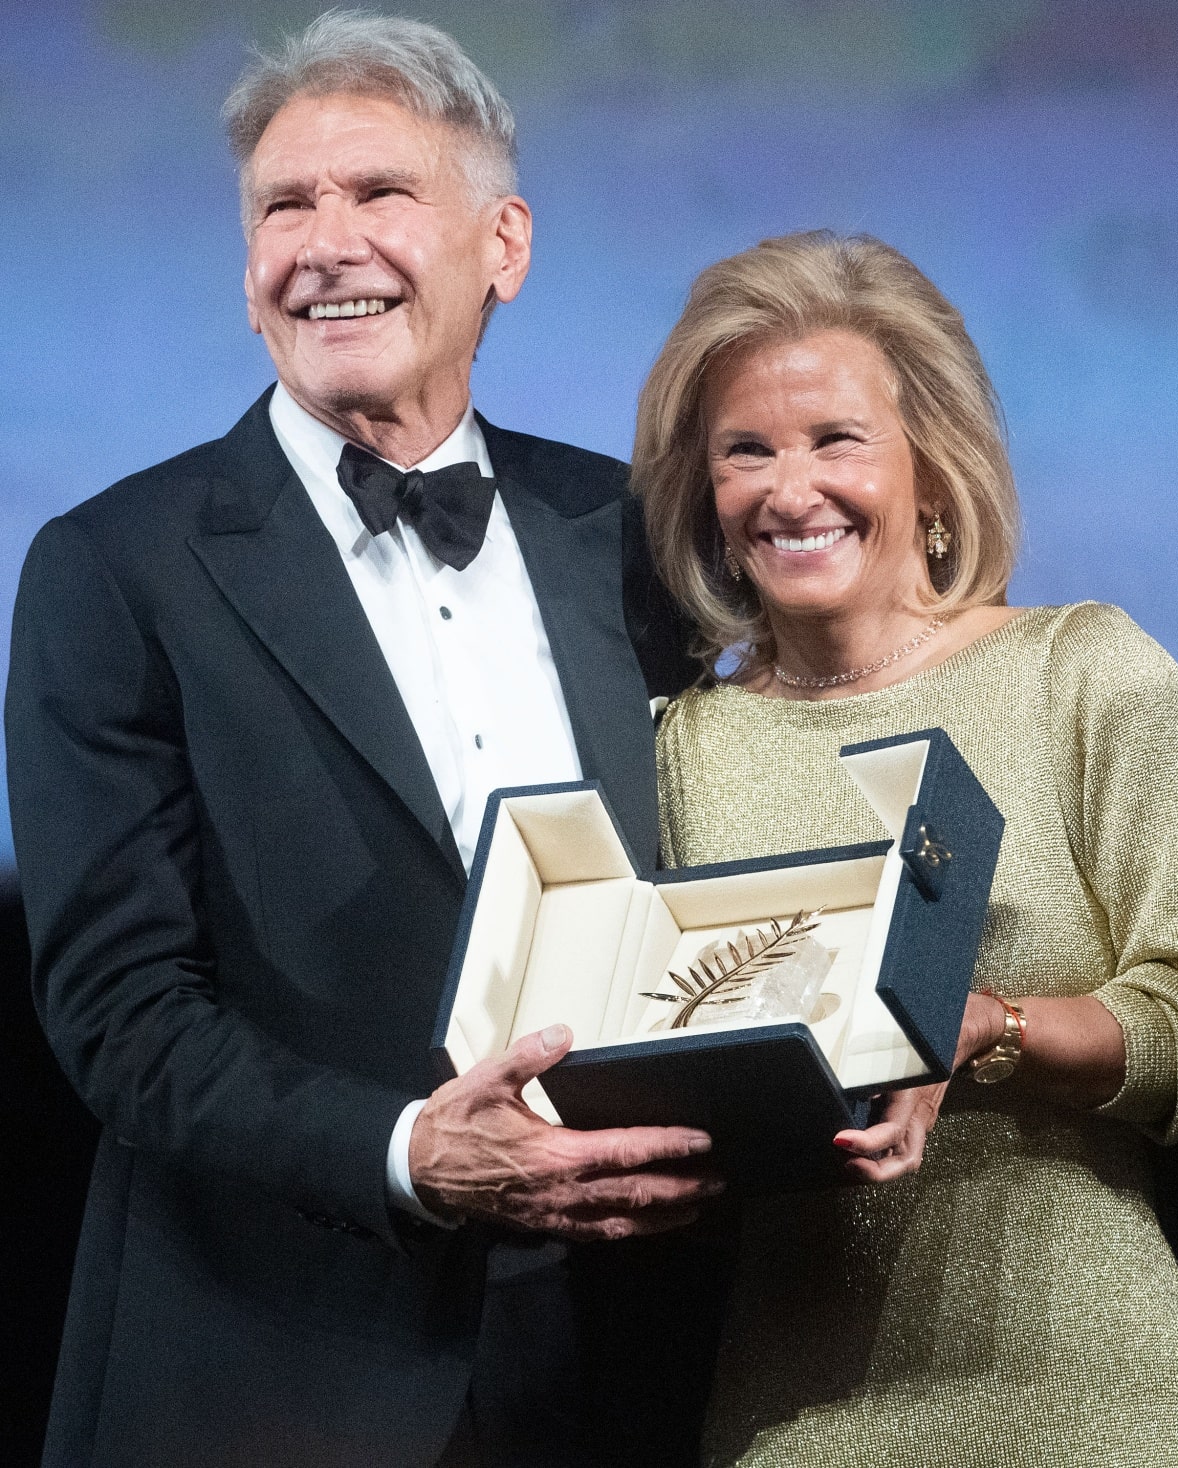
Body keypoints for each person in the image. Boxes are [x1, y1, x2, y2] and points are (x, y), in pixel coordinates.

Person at [5, 12, 726, 1468]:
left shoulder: (626, 534)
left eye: (380, 192)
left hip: (622, 1351)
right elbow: (119, 1014)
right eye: (285, 206)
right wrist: (409, 1155)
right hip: (273, 1365)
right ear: (250, 274)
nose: (325, 243)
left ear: (502, 247)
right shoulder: (115, 566)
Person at [633, 229, 1178, 1467]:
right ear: (705, 493)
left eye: (838, 439)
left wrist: (986, 1026)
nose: (791, 489)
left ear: (934, 471)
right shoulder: (673, 750)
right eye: (747, 450)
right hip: (790, 1413)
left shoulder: (1083, 675)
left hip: (1092, 1399)